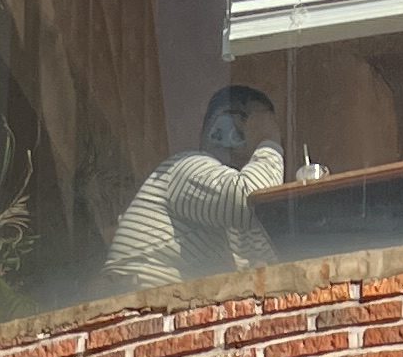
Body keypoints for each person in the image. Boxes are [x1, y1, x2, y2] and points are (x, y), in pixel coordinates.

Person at [106, 86, 284, 291]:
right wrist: (268, 141)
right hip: (135, 301)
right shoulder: (186, 167)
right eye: (251, 122)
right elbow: (256, 200)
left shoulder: (237, 217)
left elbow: (271, 272)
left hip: (173, 305)